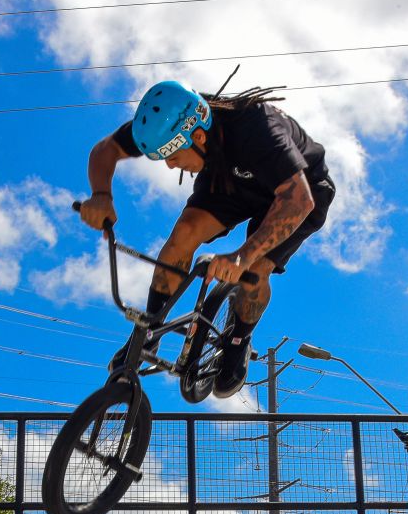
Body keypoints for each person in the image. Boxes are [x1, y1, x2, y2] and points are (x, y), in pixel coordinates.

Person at [79, 79, 335, 398]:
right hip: (231, 178)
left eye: (172, 155)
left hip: (301, 190)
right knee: (183, 234)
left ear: (198, 136)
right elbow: (106, 150)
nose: (170, 165)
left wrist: (242, 256)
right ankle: (148, 328)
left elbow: (298, 201)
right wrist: (101, 195)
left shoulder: (258, 130)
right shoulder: (170, 120)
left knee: (255, 270)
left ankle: (238, 340)